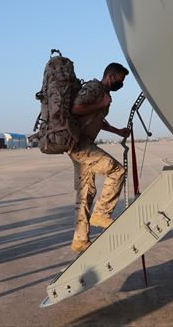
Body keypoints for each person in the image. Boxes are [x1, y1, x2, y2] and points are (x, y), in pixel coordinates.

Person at [67, 63, 131, 252]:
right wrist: (101, 104)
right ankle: (101, 214)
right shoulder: (95, 88)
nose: (121, 83)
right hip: (80, 144)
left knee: (85, 193)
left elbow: (96, 119)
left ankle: (80, 240)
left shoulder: (103, 93)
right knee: (117, 170)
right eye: (120, 79)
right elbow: (75, 108)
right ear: (111, 76)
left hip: (82, 144)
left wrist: (117, 131)